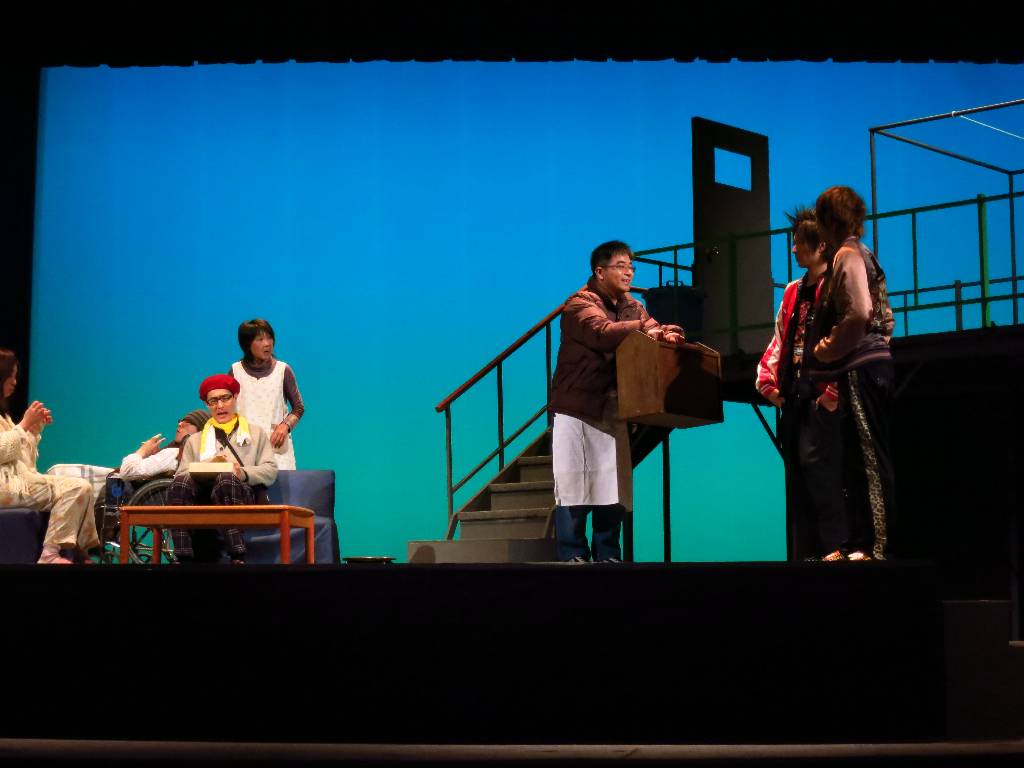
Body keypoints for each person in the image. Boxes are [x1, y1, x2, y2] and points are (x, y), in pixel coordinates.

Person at [548, 240, 685, 562]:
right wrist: (644, 330)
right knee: (574, 484)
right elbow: (601, 332)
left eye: (631, 267)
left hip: (612, 407)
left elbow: (651, 327)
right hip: (578, 408)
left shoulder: (631, 305)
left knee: (613, 486)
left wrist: (667, 333)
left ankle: (608, 554)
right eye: (621, 266)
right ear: (600, 272)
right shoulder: (579, 304)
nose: (628, 273)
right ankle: (573, 553)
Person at [808, 186, 895, 561]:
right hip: (867, 364)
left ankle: (875, 545)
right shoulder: (863, 253)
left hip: (861, 366)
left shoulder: (848, 255)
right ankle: (860, 541)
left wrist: (827, 348)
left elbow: (859, 312)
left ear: (829, 220)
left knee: (868, 458)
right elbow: (885, 316)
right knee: (857, 459)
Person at [756, 209, 843, 560]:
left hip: (822, 395)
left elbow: (850, 338)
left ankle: (835, 549)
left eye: (798, 243)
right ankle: (804, 554)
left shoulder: (837, 286)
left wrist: (833, 393)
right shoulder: (794, 290)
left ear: (820, 246)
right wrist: (768, 384)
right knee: (797, 475)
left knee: (822, 473)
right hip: (794, 395)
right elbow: (780, 338)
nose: (793, 250)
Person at [0, 349, 99, 564]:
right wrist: (24, 425)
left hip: (15, 482)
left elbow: (20, 461)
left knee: (83, 487)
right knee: (75, 488)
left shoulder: (4, 416)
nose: (14, 381)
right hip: (4, 488)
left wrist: (33, 430)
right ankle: (50, 555)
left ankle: (77, 550)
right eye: (11, 375)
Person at [168, 374, 278, 563]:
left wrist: (242, 472)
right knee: (181, 482)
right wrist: (202, 469)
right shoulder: (195, 440)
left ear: (235, 397)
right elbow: (181, 474)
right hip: (202, 498)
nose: (220, 406)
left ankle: (237, 553)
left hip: (239, 494)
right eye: (213, 401)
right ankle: (183, 555)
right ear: (207, 405)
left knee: (226, 478)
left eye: (225, 398)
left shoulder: (255, 433)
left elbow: (270, 470)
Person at [230, 319, 304, 470]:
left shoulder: (283, 370)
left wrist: (285, 426)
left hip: (276, 447)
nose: (267, 343)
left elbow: (298, 408)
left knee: (279, 484)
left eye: (270, 338)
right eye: (260, 339)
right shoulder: (236, 371)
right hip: (245, 448)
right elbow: (227, 407)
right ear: (247, 344)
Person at [116, 409, 209, 481]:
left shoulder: (174, 454)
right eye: (180, 421)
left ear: (200, 431)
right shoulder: (199, 456)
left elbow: (127, 472)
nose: (180, 424)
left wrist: (143, 451)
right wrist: (156, 455)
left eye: (187, 423)